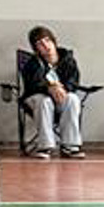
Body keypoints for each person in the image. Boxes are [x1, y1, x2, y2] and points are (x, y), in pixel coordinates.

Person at [18, 27, 86, 158]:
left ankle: (70, 146)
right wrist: (49, 88)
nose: (45, 46)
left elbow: (73, 82)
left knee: (72, 99)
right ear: (36, 49)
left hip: (61, 98)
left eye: (47, 40)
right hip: (36, 98)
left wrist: (61, 88)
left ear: (54, 41)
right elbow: (32, 85)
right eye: (40, 44)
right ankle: (45, 146)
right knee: (44, 101)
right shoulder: (32, 63)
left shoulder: (68, 60)